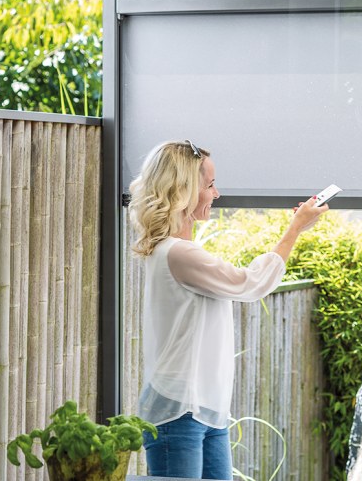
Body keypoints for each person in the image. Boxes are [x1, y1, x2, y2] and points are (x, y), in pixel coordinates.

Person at [128, 140, 327, 480]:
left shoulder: (179, 251)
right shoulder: (179, 254)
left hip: (205, 409)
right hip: (179, 411)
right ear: (184, 190)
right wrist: (295, 229)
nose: (217, 193)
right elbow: (251, 284)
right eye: (209, 185)